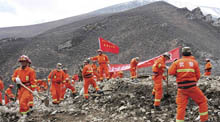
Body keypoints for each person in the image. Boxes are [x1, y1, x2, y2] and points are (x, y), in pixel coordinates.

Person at [168, 47, 208, 122]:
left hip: (181, 89)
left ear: (182, 54)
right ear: (190, 53)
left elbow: (170, 72)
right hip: (192, 87)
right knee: (202, 101)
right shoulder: (194, 62)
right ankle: (204, 120)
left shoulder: (177, 62)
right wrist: (193, 81)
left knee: (181, 107)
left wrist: (174, 64)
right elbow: (198, 76)